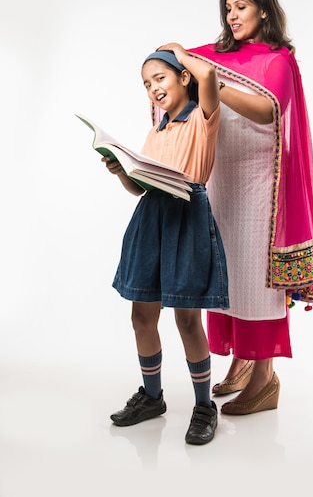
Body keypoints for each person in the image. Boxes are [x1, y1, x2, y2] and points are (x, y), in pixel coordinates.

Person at [188, 0, 313, 415]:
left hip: (258, 189)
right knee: (225, 279)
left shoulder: (278, 59)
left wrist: (212, 85)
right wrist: (173, 55)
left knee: (255, 281)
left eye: (241, 7)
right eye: (228, 8)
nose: (232, 16)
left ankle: (265, 380)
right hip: (220, 183)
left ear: (263, 9)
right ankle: (241, 361)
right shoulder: (217, 56)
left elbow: (269, 110)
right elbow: (180, 67)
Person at [102, 44, 229, 444]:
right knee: (142, 315)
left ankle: (204, 406)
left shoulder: (202, 118)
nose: (153, 88)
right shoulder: (156, 130)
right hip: (151, 218)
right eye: (146, 84)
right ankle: (153, 397)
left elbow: (208, 77)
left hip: (186, 216)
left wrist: (176, 50)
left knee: (187, 319)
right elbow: (138, 190)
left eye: (160, 78)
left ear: (182, 77)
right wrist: (121, 170)